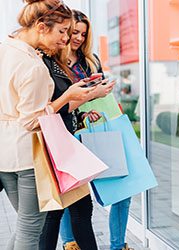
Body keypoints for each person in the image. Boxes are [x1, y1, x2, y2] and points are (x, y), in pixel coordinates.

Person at [0, 0, 92, 249]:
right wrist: (68, 97)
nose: (65, 39)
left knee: (24, 226)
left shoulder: (5, 49)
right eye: (62, 31)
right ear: (41, 26)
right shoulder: (33, 66)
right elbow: (31, 120)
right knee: (31, 232)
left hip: (5, 154)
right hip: (28, 157)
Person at [37, 4, 115, 250]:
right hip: (57, 143)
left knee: (71, 211)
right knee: (61, 213)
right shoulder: (47, 63)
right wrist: (91, 95)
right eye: (68, 32)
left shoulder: (80, 61)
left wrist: (91, 98)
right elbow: (52, 110)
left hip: (68, 139)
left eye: (81, 33)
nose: (72, 38)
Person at [57, 10, 132, 250]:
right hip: (67, 135)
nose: (78, 38)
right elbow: (57, 105)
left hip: (98, 130)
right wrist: (93, 93)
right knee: (73, 195)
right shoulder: (53, 62)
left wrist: (103, 89)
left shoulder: (91, 60)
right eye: (74, 32)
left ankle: (117, 245)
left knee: (123, 189)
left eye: (83, 33)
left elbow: (97, 97)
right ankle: (70, 244)